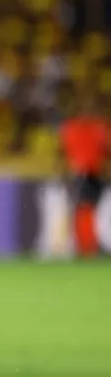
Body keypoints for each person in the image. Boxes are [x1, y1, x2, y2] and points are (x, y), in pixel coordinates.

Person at [59, 93, 109, 257]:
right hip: (83, 173)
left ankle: (90, 245)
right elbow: (66, 152)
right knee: (84, 208)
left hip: (94, 173)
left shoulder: (97, 127)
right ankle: (86, 246)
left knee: (90, 209)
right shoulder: (75, 128)